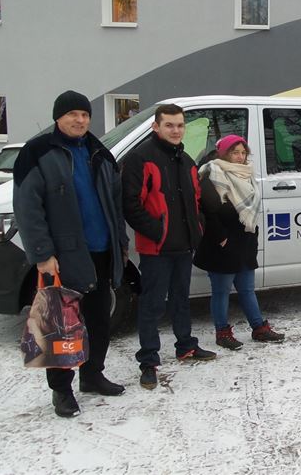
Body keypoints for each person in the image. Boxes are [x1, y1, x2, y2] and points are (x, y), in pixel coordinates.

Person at [13, 90, 128, 418]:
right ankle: (61, 391)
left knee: (99, 320)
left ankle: (92, 375)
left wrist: (120, 242)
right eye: (72, 114)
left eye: (85, 115)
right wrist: (42, 253)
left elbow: (115, 203)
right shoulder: (37, 152)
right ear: (58, 118)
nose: (80, 120)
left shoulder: (99, 152)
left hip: (101, 251)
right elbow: (27, 206)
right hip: (62, 257)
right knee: (60, 325)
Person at [122, 103, 216, 390]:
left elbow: (196, 200)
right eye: (169, 125)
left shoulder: (186, 161)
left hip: (184, 246)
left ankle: (185, 345)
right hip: (156, 248)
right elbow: (131, 204)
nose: (175, 130)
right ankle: (148, 361)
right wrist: (158, 232)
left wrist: (197, 228)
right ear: (156, 127)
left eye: (180, 125)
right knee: (151, 305)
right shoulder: (141, 158)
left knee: (180, 300)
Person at [194, 135, 285, 348]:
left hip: (244, 239)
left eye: (243, 152)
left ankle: (259, 328)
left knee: (247, 289)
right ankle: (222, 332)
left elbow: (251, 209)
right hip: (221, 243)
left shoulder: (247, 174)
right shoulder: (212, 174)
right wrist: (222, 239)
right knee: (221, 291)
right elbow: (209, 211)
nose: (240, 157)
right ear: (223, 153)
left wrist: (253, 236)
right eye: (235, 152)